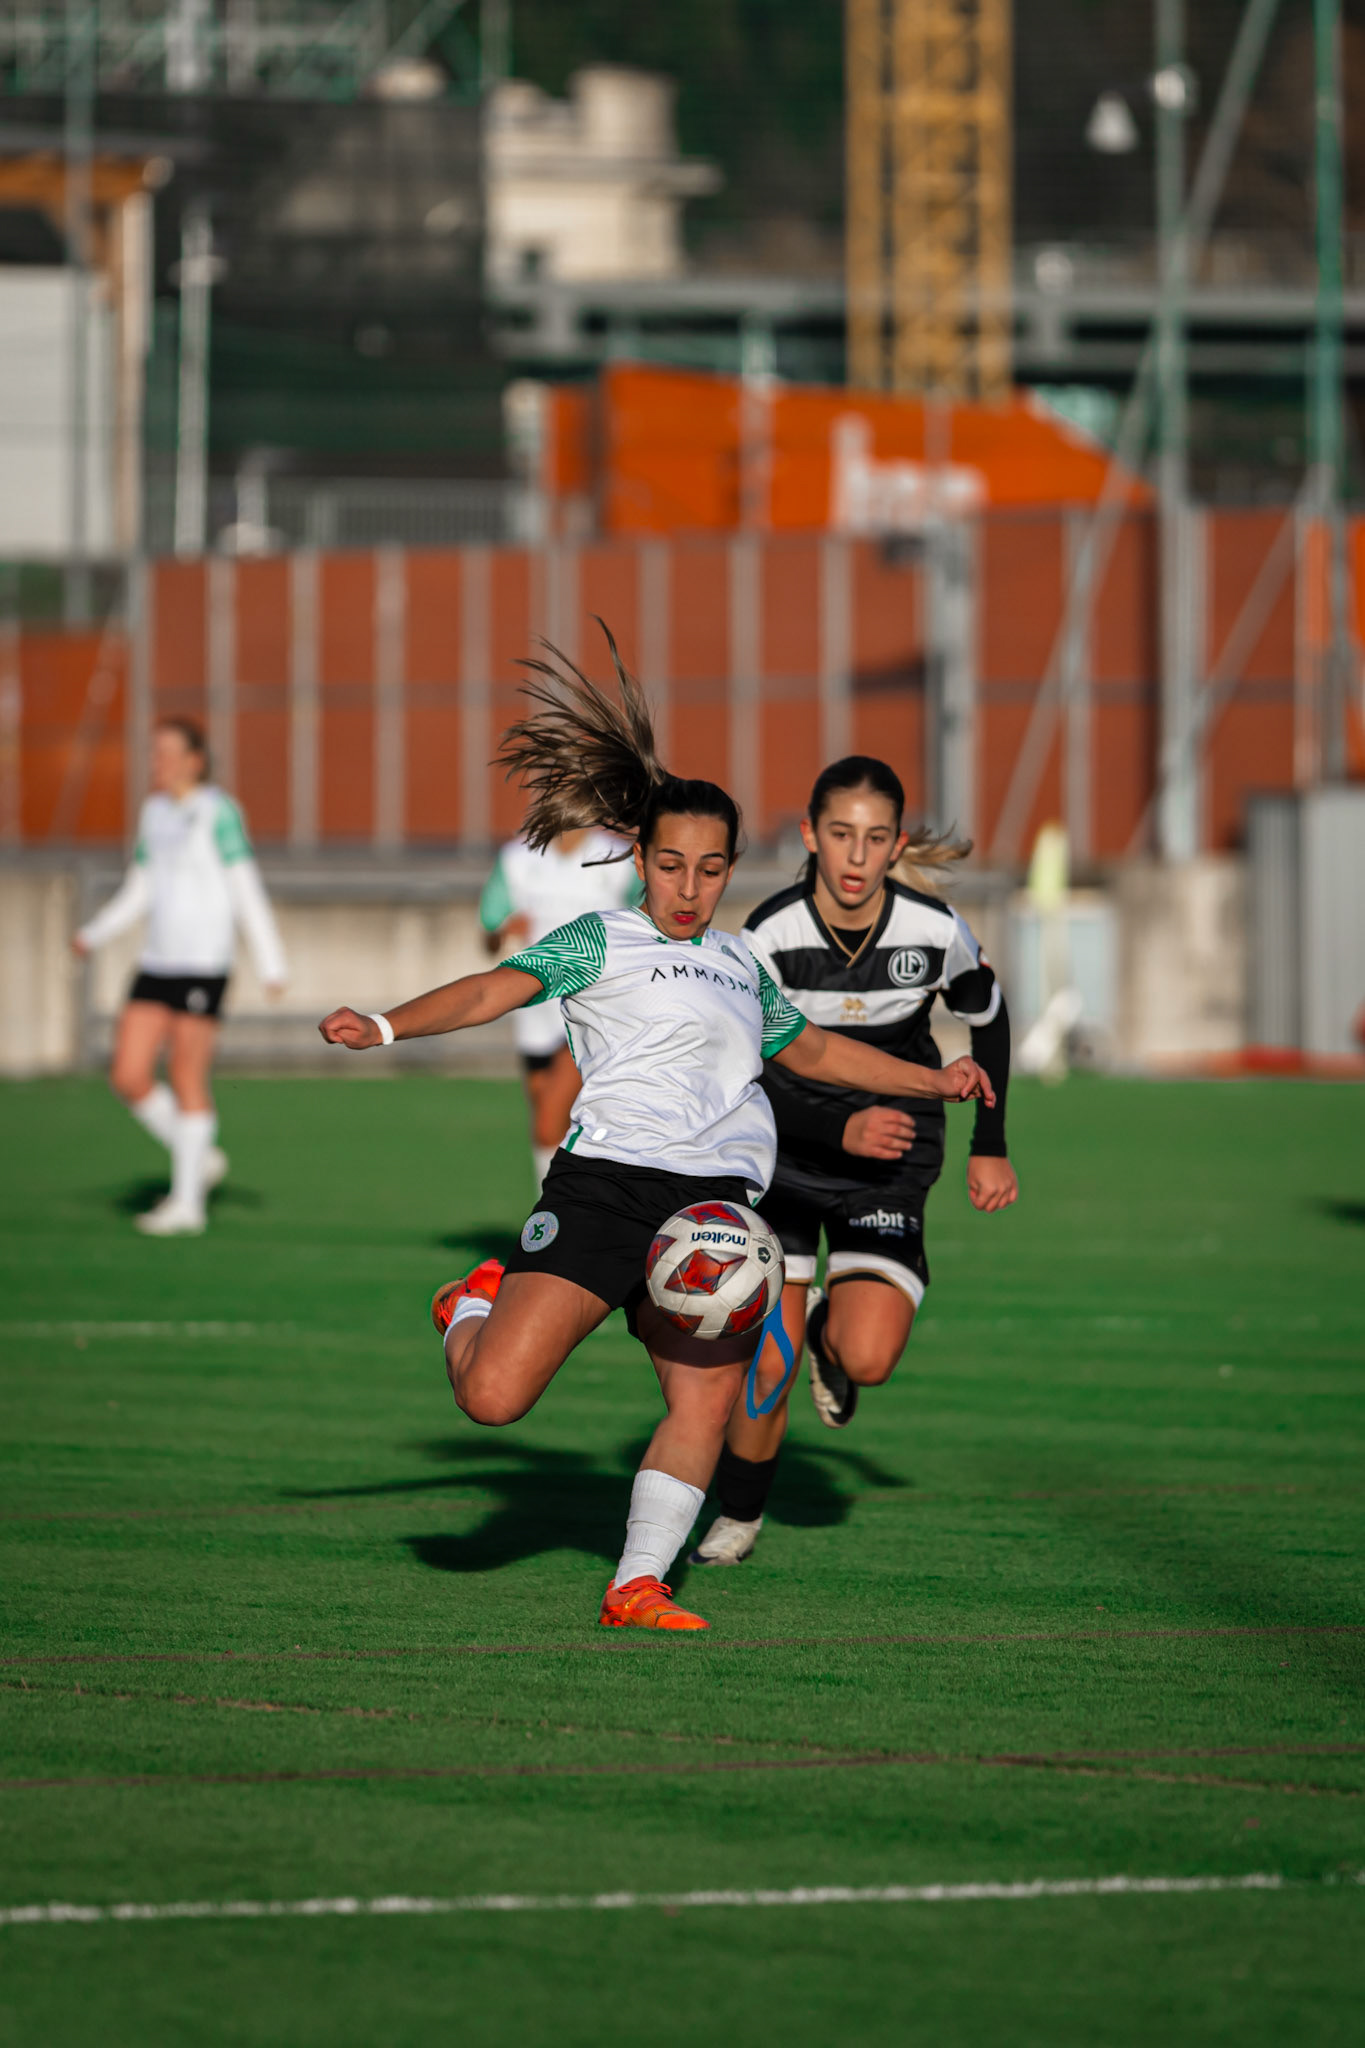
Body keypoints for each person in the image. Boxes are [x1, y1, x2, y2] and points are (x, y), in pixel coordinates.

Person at [319, 640, 994, 1634]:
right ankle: (471, 1300)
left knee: (701, 1404)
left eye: (710, 866)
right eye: (670, 862)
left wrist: (933, 1074)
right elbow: (489, 987)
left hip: (717, 1212)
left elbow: (812, 1051)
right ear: (640, 858)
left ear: (731, 868)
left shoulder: (738, 961)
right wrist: (384, 1022)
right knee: (494, 1401)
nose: (688, 884)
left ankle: (638, 1582)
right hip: (604, 1191)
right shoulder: (601, 939)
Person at [690, 754, 1017, 1569]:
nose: (856, 856)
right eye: (840, 835)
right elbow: (748, 1065)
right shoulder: (768, 934)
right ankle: (737, 1517)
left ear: (894, 843)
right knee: (769, 1357)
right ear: (810, 835)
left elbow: (991, 1019)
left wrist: (991, 1144)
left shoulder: (933, 931)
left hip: (891, 1161)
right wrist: (837, 1131)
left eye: (874, 839)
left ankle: (834, 1348)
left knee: (869, 1354)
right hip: (786, 1160)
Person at [72, 716, 287, 1236]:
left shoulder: (218, 812)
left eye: (168, 752)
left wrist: (271, 960)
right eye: (154, 753)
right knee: (128, 1074)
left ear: (196, 759)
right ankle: (198, 1156)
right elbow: (141, 887)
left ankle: (186, 1203)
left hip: (203, 965)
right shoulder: (153, 813)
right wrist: (96, 931)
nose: (158, 762)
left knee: (187, 1075)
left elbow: (244, 887)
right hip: (156, 963)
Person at [478, 827, 642, 1186]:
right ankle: (567, 1221)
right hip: (535, 1014)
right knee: (557, 1128)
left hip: (593, 1010)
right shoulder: (516, 859)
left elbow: (648, 924)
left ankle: (550, 1224)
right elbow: (489, 934)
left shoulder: (618, 858)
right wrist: (503, 929)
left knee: (549, 1123)